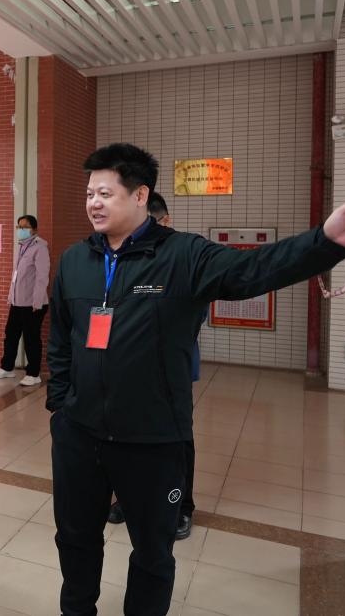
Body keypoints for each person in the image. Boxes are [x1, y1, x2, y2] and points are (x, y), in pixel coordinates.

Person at [47, 143, 345, 615]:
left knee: (153, 554)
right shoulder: (74, 261)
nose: (93, 204)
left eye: (105, 193)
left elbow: (254, 269)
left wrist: (327, 242)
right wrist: (61, 406)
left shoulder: (184, 255)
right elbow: (61, 337)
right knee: (75, 539)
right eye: (89, 194)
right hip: (79, 437)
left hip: (153, 441)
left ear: (140, 195)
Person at [106, 192, 198, 539]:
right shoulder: (118, 257)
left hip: (168, 369)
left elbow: (190, 316)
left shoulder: (181, 256)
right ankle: (127, 498)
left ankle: (181, 506)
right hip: (124, 368)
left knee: (176, 439)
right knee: (128, 436)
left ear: (164, 221)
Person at [0, 214, 50, 386]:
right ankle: (7, 367)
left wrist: (37, 302)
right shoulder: (22, 247)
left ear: (34, 229)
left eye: (24, 227)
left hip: (33, 303)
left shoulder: (40, 248)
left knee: (31, 338)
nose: (20, 230)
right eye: (19, 226)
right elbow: (16, 276)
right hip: (18, 302)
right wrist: (11, 297)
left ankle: (33, 373)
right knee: (11, 334)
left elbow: (42, 277)